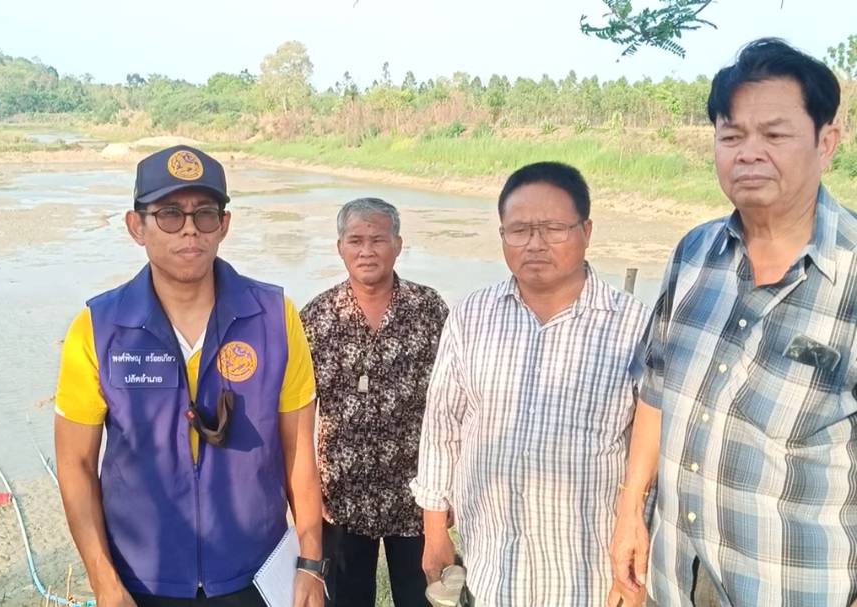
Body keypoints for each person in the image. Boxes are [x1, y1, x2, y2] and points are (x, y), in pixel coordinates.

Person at [609, 38, 857, 607]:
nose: (749, 153)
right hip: (677, 578)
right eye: (732, 135)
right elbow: (656, 388)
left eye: (774, 135)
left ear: (826, 142)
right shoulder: (696, 254)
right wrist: (630, 510)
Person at [53, 145, 326, 607]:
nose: (189, 230)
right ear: (136, 226)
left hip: (255, 575)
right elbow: (75, 465)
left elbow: (299, 450)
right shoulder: (99, 329)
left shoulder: (274, 318)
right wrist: (104, 583)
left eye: (204, 213)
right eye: (169, 214)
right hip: (143, 580)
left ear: (224, 225)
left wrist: (310, 563)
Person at [412, 162, 649, 605]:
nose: (535, 244)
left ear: (586, 231)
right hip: (490, 571)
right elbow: (442, 428)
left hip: (588, 576)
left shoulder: (633, 326)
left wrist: (637, 563)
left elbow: (650, 453)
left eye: (554, 228)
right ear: (502, 235)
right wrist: (434, 530)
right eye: (519, 230)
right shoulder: (471, 316)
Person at [301, 197, 447, 606]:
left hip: (416, 494)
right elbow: (298, 413)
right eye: (356, 241)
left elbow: (454, 402)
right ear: (340, 247)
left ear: (398, 244)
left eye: (378, 240)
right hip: (341, 497)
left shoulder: (429, 309)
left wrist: (448, 489)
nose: (367, 251)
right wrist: (304, 495)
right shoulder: (317, 317)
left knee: (424, 598)